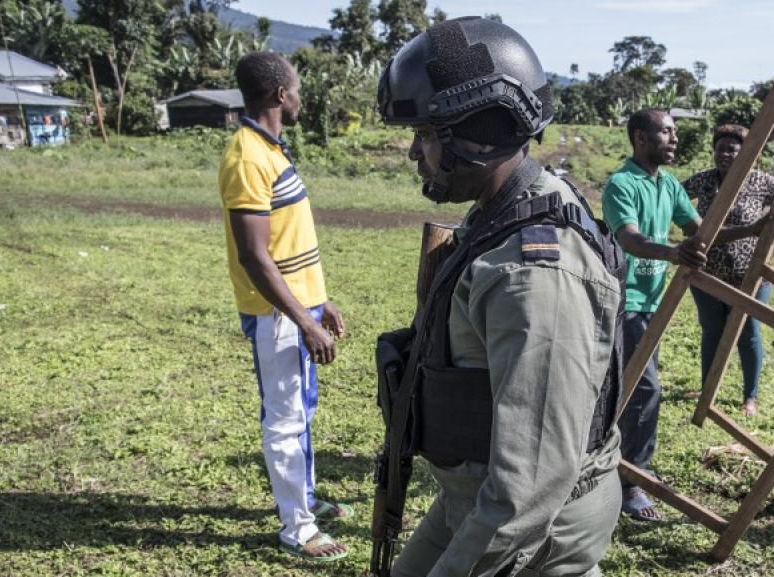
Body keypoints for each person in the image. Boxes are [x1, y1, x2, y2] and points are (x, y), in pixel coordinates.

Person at [374, 17, 637, 577]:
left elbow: (532, 484)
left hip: (534, 530)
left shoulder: (535, 271)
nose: (414, 153)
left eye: (425, 135)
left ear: (478, 134)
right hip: (473, 499)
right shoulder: (502, 214)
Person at [218, 52, 352, 562]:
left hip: (297, 309)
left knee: (302, 411)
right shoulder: (247, 158)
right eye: (297, 89)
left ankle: (307, 499)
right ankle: (299, 528)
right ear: (279, 95)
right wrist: (303, 320)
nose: (301, 97)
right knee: (285, 419)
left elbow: (287, 242)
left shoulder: (271, 150)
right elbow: (255, 257)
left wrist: (321, 302)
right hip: (276, 316)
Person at [601, 110, 753, 522]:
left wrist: (754, 230)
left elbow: (700, 231)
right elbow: (629, 238)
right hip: (623, 300)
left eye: (675, 132)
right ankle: (633, 482)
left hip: (652, 304)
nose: (674, 139)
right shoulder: (621, 184)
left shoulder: (668, 184)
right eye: (667, 131)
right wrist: (672, 252)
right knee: (643, 389)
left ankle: (616, 467)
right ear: (641, 139)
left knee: (629, 387)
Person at [683, 124, 774, 417]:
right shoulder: (704, 181)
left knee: (748, 334)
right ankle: (706, 387)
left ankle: (750, 397)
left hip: (749, 275)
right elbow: (676, 196)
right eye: (720, 148)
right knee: (711, 331)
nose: (724, 154)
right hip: (707, 272)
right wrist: (687, 225)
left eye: (732, 150)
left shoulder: (760, 183)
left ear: (746, 154)